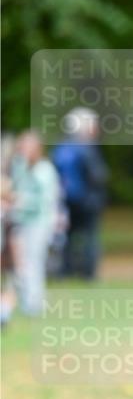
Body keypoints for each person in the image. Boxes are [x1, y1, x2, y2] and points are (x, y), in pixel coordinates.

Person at [51, 107, 108, 279]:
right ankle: (88, 272)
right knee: (90, 236)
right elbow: (99, 175)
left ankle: (65, 270)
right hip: (88, 201)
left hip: (66, 200)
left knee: (67, 237)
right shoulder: (87, 147)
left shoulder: (61, 146)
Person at [9, 130, 60, 316]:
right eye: (22, 147)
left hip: (40, 222)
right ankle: (22, 301)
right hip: (20, 221)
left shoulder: (45, 170)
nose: (24, 151)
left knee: (34, 261)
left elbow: (47, 200)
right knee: (19, 264)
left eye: (28, 147)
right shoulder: (19, 166)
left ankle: (34, 303)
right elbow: (15, 187)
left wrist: (19, 200)